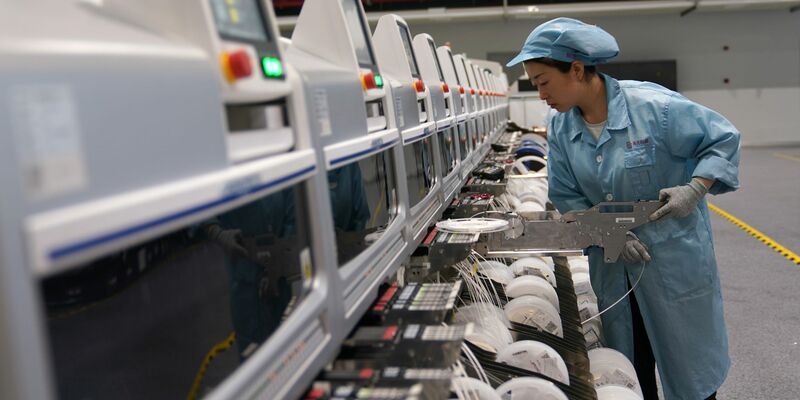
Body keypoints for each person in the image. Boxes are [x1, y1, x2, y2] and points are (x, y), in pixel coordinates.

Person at [507, 18, 741, 400]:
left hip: (672, 260)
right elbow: (567, 197)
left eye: (543, 82)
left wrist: (694, 189)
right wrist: (606, 232)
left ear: (577, 70)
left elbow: (723, 139)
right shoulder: (562, 129)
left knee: (690, 369)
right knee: (628, 372)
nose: (540, 95)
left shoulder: (655, 108)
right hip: (614, 265)